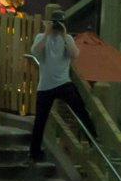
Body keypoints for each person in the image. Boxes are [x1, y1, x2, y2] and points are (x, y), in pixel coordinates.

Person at [25, 13, 87, 160]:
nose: (56, 27)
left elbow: (75, 54)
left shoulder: (68, 38)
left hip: (63, 83)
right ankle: (34, 153)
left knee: (79, 108)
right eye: (55, 24)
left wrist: (64, 35)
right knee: (40, 120)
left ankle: (91, 136)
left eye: (60, 24)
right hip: (45, 86)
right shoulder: (41, 37)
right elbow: (35, 51)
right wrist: (47, 33)